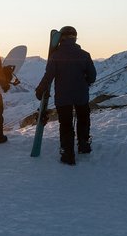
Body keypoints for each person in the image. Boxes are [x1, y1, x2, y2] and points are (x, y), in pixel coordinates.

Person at [34, 26, 97, 166]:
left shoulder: (55, 56)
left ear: (61, 38)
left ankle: (67, 153)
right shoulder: (84, 54)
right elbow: (92, 76)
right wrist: (85, 81)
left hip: (63, 97)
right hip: (81, 95)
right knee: (83, 119)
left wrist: (40, 90)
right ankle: (84, 145)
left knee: (66, 124)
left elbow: (48, 76)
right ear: (75, 37)